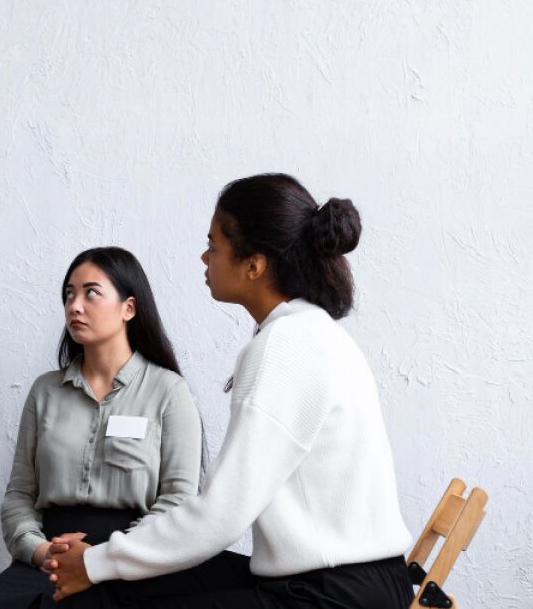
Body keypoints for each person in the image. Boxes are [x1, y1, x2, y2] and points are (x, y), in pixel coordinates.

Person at [45, 174, 414, 608]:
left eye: (214, 245)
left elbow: (220, 516)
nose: (205, 257)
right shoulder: (308, 332)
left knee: (105, 591)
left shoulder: (286, 346)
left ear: (253, 264)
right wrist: (104, 559)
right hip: (344, 582)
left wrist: (96, 562)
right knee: (118, 585)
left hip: (334, 596)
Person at [0, 246, 229, 609]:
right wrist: (40, 550)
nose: (75, 306)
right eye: (69, 294)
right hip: (52, 553)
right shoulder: (45, 390)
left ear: (129, 308)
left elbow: (178, 500)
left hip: (132, 557)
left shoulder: (169, 391)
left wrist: (105, 556)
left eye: (91, 293)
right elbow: (20, 494)